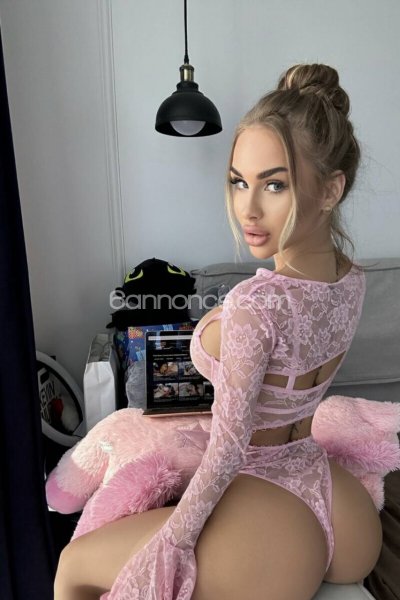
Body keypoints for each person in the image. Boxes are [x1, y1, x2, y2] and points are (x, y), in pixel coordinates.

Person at [54, 63, 383, 600]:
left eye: (274, 184)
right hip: (339, 504)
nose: (247, 208)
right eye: (238, 182)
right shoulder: (352, 277)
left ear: (330, 190)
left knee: (73, 566)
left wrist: (174, 542)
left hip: (269, 503)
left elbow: (228, 452)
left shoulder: (256, 303)